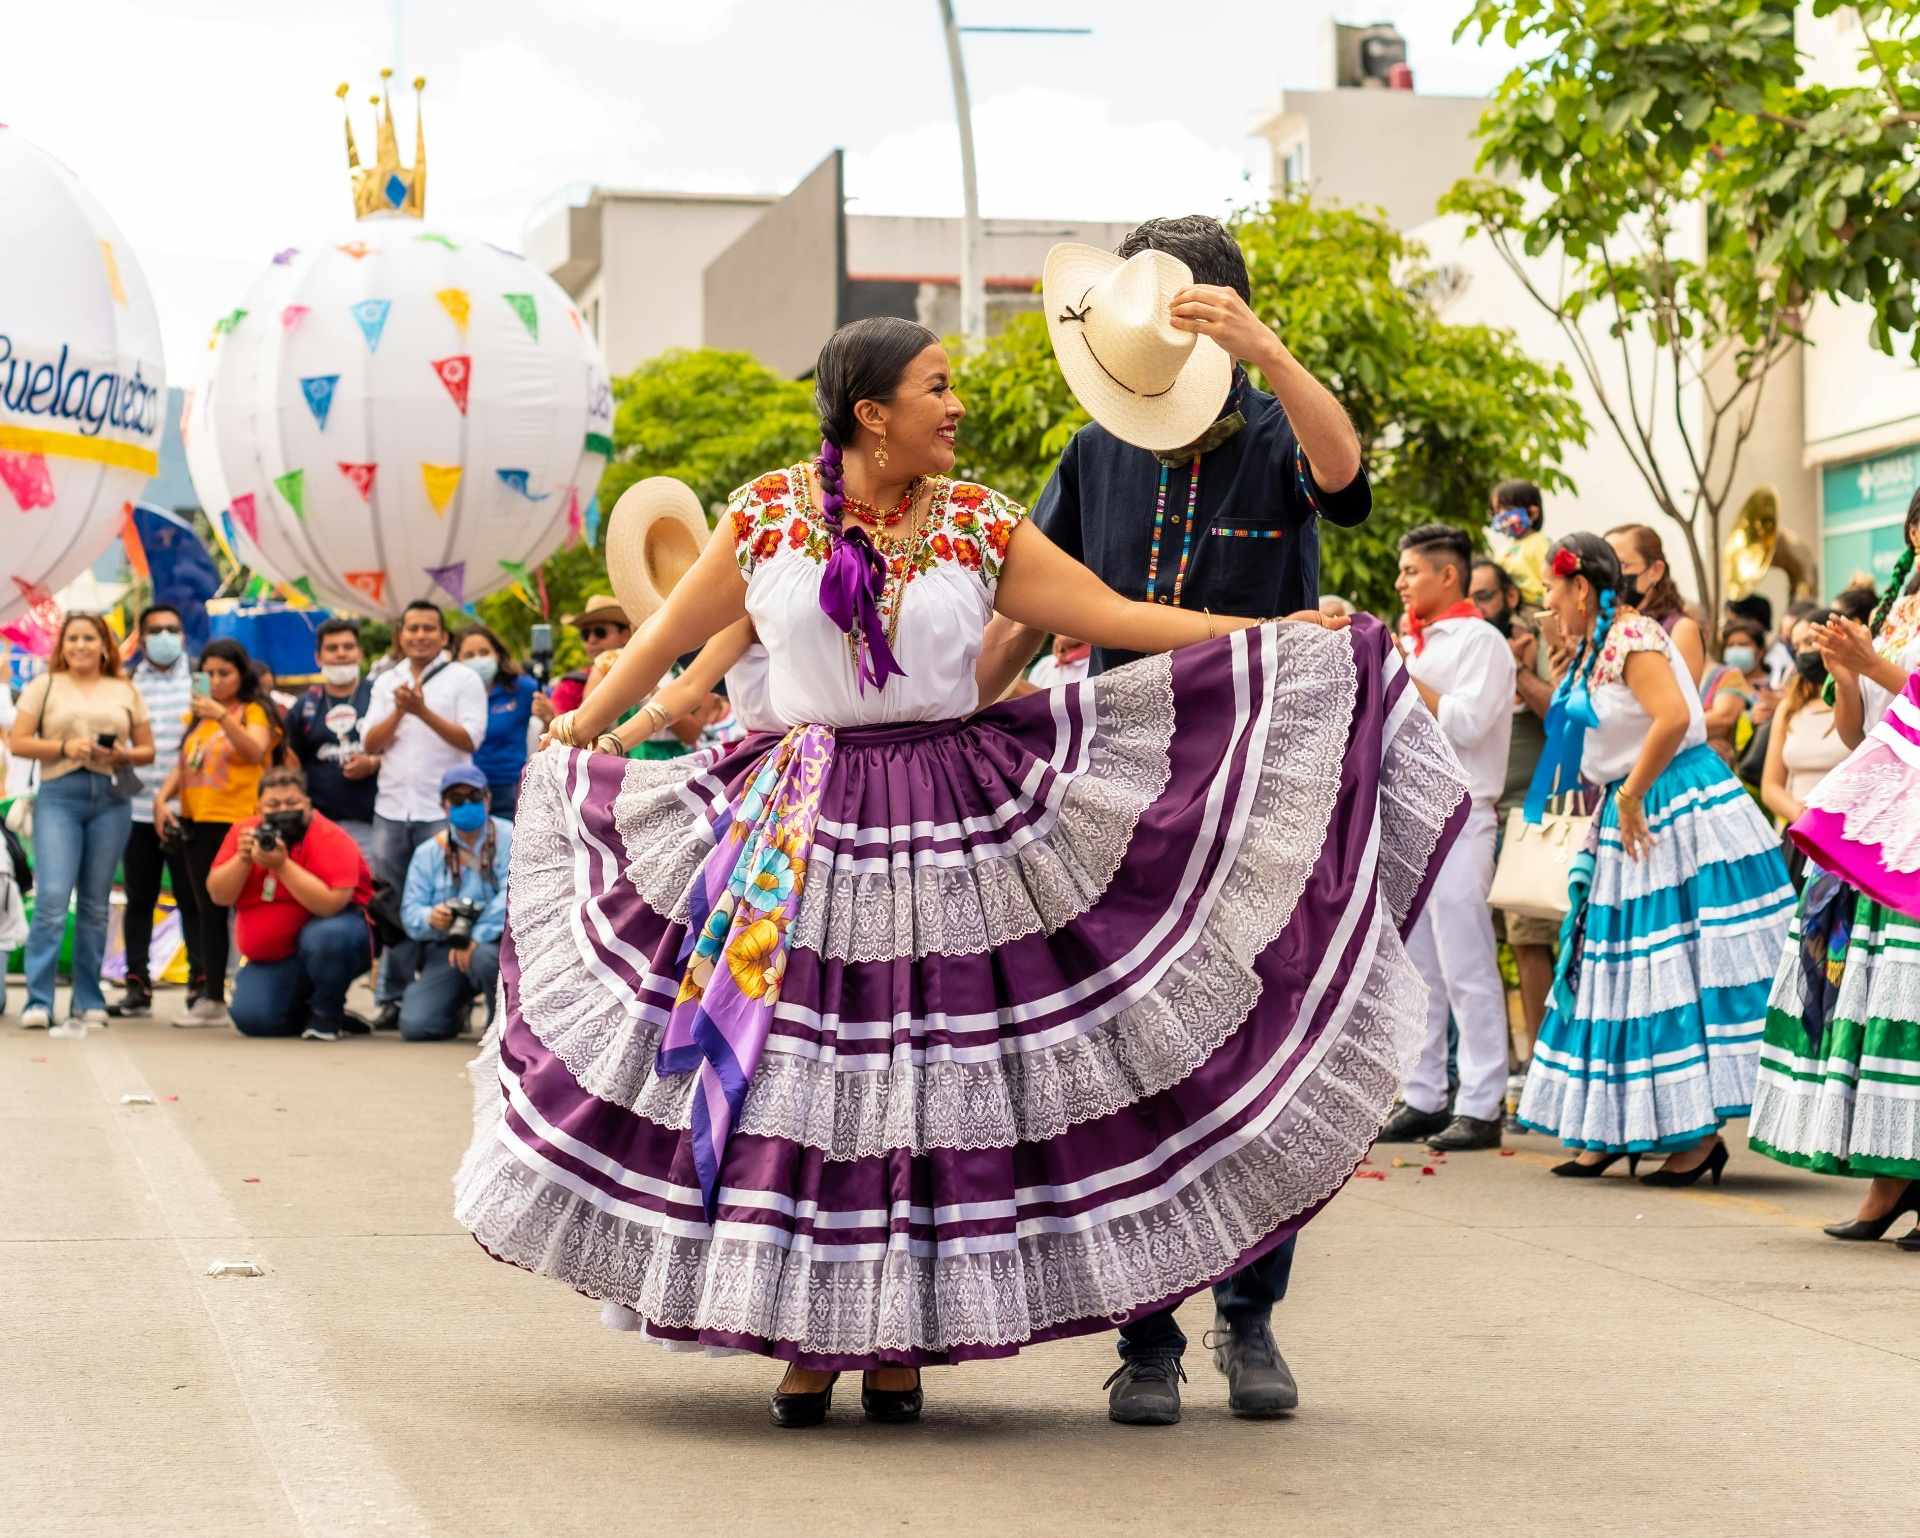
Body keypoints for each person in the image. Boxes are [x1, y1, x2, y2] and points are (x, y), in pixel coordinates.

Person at [457, 314, 1466, 1436]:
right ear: (871, 412)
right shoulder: (763, 515)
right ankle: (807, 1339)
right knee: (794, 1081)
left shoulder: (982, 520)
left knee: (924, 1088)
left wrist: (1277, 627)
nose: (958, 406)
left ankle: (896, 1346)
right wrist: (585, 730)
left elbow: (1116, 616)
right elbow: (676, 643)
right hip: (792, 820)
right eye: (938, 388)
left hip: (948, 809)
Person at [974, 219, 1377, 1423]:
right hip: (1118, 796)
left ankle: (1250, 1319)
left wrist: (1270, 353)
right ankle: (1145, 1334)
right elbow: (1018, 614)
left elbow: (1347, 480)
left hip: (1265, 793)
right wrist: (950, 718)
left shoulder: (1273, 430)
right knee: (1130, 1053)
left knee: (1256, 1051)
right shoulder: (1092, 453)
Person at [1515, 534, 1792, 1182]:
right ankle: (1617, 1127)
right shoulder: (1593, 645)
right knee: (1621, 973)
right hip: (1631, 807)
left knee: (1669, 971)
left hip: (1670, 805)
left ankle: (1695, 1139)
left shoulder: (1631, 637)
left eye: (1554, 591)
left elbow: (1670, 717)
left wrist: (1633, 792)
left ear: (1581, 587)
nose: (1548, 603)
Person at [1746, 493, 1920, 1240]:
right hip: (1884, 821)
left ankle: (1899, 1184)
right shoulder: (1898, 612)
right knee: (1878, 1000)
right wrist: (1845, 673)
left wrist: (1870, 660)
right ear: (1915, 530)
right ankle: (1893, 1179)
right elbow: (1857, 733)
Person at [1380, 526, 1516, 1151]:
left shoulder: (1481, 641)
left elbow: (1467, 721)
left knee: (1467, 965)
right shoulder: (1417, 640)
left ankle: (1484, 1102)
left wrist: (1405, 675)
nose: (1402, 582)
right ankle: (1426, 1094)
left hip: (1464, 815)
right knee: (1420, 969)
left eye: (1411, 571)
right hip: (1412, 816)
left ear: (1448, 576)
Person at [7, 614, 155, 1032]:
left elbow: (148, 750)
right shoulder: (44, 685)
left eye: (89, 638)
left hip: (111, 798)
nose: (80, 645)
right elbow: (18, 742)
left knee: (95, 904)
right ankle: (38, 999)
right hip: (59, 795)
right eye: (72, 638)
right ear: (62, 645)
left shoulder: (124, 689)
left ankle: (88, 998)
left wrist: (121, 754)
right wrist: (65, 745)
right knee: (52, 899)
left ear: (105, 645)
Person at [361, 601, 488, 1030]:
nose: (420, 635)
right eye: (412, 628)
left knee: (446, 899)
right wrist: (400, 709)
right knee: (392, 906)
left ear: (443, 636)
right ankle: (392, 997)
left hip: (443, 812)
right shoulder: (385, 682)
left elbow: (471, 738)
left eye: (429, 628)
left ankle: (449, 992)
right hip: (393, 809)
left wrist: (422, 711)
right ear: (400, 634)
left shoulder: (463, 679)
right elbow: (371, 743)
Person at [1468, 558, 1559, 1107]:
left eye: (1488, 595)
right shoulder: (1470, 647)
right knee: (1481, 946)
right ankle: (1495, 1069)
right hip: (1481, 813)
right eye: (1474, 598)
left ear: (1508, 595)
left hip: (1531, 816)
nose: (1481, 607)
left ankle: (1541, 1067)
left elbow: (1561, 717)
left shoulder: (1536, 643)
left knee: (1528, 943)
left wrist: (1521, 668)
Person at [154, 638, 279, 1026]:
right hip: (197, 821)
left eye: (224, 673)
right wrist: (162, 799)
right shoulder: (199, 717)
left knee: (246, 905)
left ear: (242, 674)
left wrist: (223, 716)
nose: (216, 680)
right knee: (206, 908)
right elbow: (187, 763)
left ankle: (255, 987)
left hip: (239, 820)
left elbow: (256, 751)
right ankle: (211, 998)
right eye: (207, 673)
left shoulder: (254, 711)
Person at [206, 765, 374, 1041]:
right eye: (273, 804)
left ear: (307, 804)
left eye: (292, 803)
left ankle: (326, 1011)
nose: (283, 809)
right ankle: (312, 1012)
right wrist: (243, 859)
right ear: (258, 808)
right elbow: (219, 895)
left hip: (335, 941)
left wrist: (282, 866)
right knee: (254, 1019)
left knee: (327, 936)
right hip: (274, 959)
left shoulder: (330, 837)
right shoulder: (243, 834)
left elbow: (330, 905)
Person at [115, 604, 203, 1018]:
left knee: (192, 896)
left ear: (183, 636)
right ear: (142, 636)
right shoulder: (128, 684)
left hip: (189, 810)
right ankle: (137, 982)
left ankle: (202, 981)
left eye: (172, 629)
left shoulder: (202, 679)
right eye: (155, 630)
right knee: (139, 898)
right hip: (136, 811)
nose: (165, 637)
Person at [397, 765, 509, 1041]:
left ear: (488, 799)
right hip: (448, 950)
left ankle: (501, 1027)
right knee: (417, 1026)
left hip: (498, 946)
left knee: (484, 957)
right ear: (444, 806)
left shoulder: (514, 837)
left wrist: (476, 936)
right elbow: (410, 912)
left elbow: (515, 895)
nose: (466, 803)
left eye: (474, 796)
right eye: (456, 799)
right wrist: (430, 917)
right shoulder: (428, 852)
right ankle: (455, 1011)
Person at [281, 619, 381, 865]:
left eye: (348, 646)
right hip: (320, 824)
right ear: (318, 657)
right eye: (332, 648)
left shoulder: (380, 696)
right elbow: (292, 764)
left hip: (376, 823)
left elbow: (404, 750)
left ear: (360, 653)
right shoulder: (306, 706)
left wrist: (372, 763)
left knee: (374, 896)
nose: (341, 653)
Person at [1757, 611, 1846, 878]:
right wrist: (1801, 814)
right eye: (1796, 647)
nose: (1804, 652)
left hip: (1846, 836)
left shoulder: (1856, 700)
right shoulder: (1789, 708)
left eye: (1810, 641)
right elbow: (1770, 786)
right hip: (1801, 837)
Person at [453, 623, 553, 818]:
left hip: (509, 788)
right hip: (463, 790)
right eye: (469, 655)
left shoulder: (520, 688)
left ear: (497, 654)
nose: (478, 660)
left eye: (484, 652)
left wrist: (549, 717)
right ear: (456, 659)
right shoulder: (451, 692)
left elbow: (557, 722)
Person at [1606, 523, 1706, 684]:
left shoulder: (1681, 629)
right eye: (1607, 566)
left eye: (1622, 565)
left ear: (1655, 571)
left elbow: (1681, 702)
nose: (1612, 575)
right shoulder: (1605, 626)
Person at [1700, 616, 1767, 767]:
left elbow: (1723, 719)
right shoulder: (1718, 679)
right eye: (1730, 645)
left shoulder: (1773, 686)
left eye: (1743, 645)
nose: (1736, 650)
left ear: (1760, 651)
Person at [548, 595, 631, 715]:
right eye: (585, 634)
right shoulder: (570, 686)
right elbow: (560, 732)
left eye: (600, 632)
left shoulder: (656, 669)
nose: (591, 640)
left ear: (626, 635)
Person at [1487, 478, 1549, 605]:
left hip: (1532, 607)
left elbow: (1550, 579)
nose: (1502, 516)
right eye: (1497, 511)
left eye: (1509, 509)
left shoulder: (1540, 543)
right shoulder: (1502, 551)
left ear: (1532, 513)